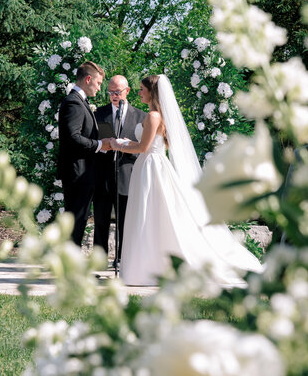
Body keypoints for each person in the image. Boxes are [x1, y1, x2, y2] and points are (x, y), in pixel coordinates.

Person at [111, 75, 263, 287]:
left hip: (150, 166)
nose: (139, 92)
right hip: (149, 165)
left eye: (142, 89)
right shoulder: (158, 115)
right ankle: (148, 265)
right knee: (150, 213)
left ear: (152, 92)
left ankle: (147, 267)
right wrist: (127, 142)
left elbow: (143, 148)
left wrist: (117, 144)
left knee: (150, 213)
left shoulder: (154, 116)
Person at [93, 75, 146, 264]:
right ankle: (98, 261)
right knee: (101, 220)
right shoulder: (98, 113)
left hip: (127, 174)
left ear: (127, 91)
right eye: (110, 92)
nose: (114, 96)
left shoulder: (141, 116)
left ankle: (123, 258)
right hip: (102, 176)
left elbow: (143, 149)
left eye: (117, 92)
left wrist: (125, 146)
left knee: (125, 221)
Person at [57, 61, 111, 247]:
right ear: (88, 79)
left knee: (77, 223)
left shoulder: (79, 101)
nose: (99, 87)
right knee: (75, 223)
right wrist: (99, 144)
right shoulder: (73, 103)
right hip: (77, 174)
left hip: (82, 173)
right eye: (98, 83)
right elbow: (73, 138)